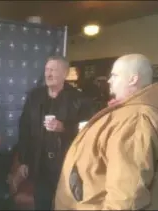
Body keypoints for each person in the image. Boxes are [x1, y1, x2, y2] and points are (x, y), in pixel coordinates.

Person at [55, 54, 158, 210]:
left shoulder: (134, 119)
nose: (109, 80)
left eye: (114, 75)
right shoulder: (126, 113)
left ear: (132, 79)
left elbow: (126, 196)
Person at [14, 56, 94, 210]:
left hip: (66, 165)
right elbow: (24, 128)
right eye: (47, 69)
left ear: (65, 74)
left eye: (53, 70)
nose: (48, 74)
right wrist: (24, 160)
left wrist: (64, 128)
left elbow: (88, 130)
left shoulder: (79, 99)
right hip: (40, 163)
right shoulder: (34, 96)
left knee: (65, 205)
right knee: (42, 204)